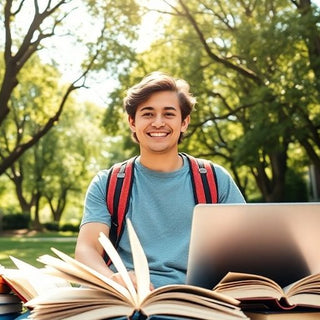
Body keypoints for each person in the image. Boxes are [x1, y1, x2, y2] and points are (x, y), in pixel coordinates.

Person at [75, 71, 245, 289]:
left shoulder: (215, 179)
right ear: (132, 122)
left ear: (184, 122)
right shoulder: (107, 184)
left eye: (168, 114)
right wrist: (114, 280)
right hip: (123, 298)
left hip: (193, 299)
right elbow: (87, 249)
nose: (158, 122)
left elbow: (242, 248)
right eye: (147, 114)